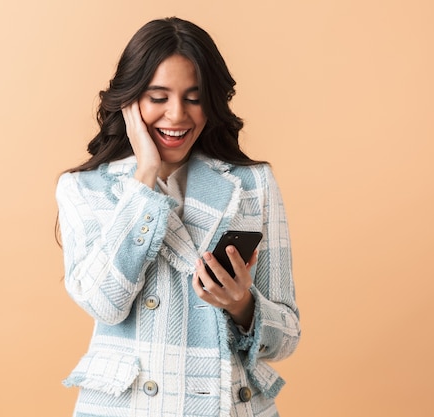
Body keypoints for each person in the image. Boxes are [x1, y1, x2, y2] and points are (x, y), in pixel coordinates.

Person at [56, 17, 300, 417]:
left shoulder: (253, 184)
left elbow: (287, 337)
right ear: (130, 102)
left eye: (193, 97)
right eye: (158, 97)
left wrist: (243, 306)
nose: (177, 115)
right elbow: (103, 303)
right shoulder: (85, 188)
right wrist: (144, 177)